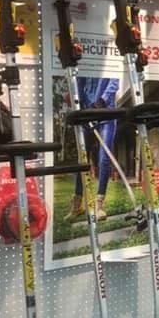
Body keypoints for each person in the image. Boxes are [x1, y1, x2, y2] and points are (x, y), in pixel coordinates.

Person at [64, 76, 119, 222]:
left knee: (104, 159)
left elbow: (114, 81)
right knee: (82, 158)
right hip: (87, 113)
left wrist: (103, 99)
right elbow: (79, 82)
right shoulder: (83, 64)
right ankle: (77, 203)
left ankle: (99, 205)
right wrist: (75, 98)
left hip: (106, 113)